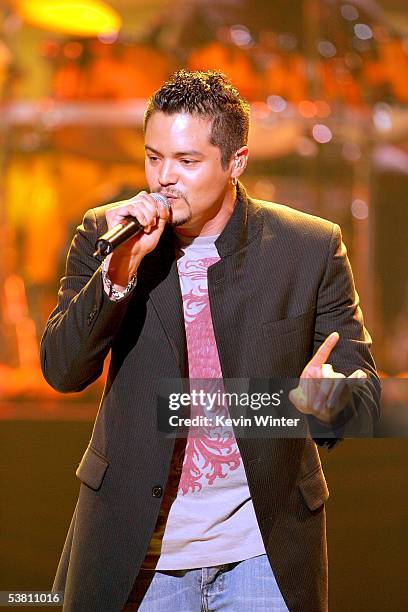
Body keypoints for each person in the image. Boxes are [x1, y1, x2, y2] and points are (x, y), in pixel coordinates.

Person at [40, 70, 380, 612]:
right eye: (154, 157)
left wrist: (324, 399)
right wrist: (119, 273)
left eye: (187, 162)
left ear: (236, 162)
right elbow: (62, 371)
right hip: (140, 550)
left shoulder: (307, 247)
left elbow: (363, 399)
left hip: (261, 552)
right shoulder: (106, 233)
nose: (164, 179)